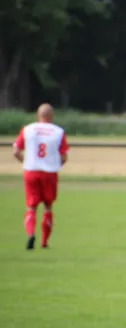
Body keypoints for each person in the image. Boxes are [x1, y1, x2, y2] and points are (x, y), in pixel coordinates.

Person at [13, 103, 69, 250]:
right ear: (51, 116)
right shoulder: (58, 131)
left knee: (31, 206)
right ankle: (44, 242)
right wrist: (55, 165)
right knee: (48, 207)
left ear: (38, 115)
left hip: (31, 171)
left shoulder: (28, 129)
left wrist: (25, 162)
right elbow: (64, 157)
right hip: (49, 172)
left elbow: (16, 151)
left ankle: (31, 233)